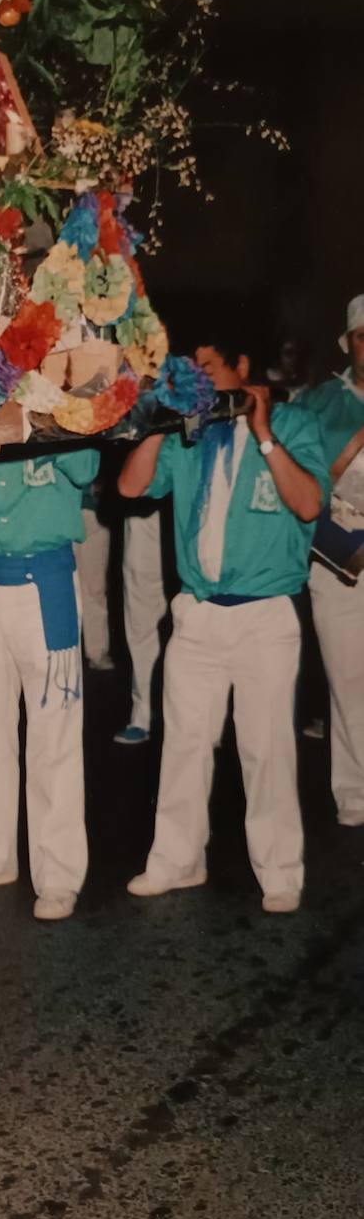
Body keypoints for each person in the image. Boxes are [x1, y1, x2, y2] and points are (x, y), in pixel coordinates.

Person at [119, 336, 328, 912]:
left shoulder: (296, 423)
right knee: (184, 744)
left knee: (266, 750)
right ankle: (176, 859)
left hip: (265, 617)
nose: (200, 382)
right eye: (190, 373)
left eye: (208, 369)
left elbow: (308, 504)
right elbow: (131, 487)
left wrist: (264, 434)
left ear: (241, 366)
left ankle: (281, 870)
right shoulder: (192, 432)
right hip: (199, 615)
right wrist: (160, 422)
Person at [0, 444, 99, 920]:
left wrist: (45, 416)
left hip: (43, 585)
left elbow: (85, 465)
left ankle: (58, 876)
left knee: (54, 740)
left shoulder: (63, 406)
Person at [299, 297, 364, 823]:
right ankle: (354, 790)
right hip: (342, 558)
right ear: (349, 343)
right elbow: (311, 488)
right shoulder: (322, 402)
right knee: (347, 677)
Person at [113, 502, 168, 745]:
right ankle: (142, 715)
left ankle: (213, 721)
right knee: (141, 622)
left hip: (196, 513)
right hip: (146, 514)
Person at [74, 481, 113, 671]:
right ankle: (66, 653)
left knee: (94, 587)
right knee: (63, 588)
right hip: (62, 511)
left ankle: (97, 652)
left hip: (96, 511)